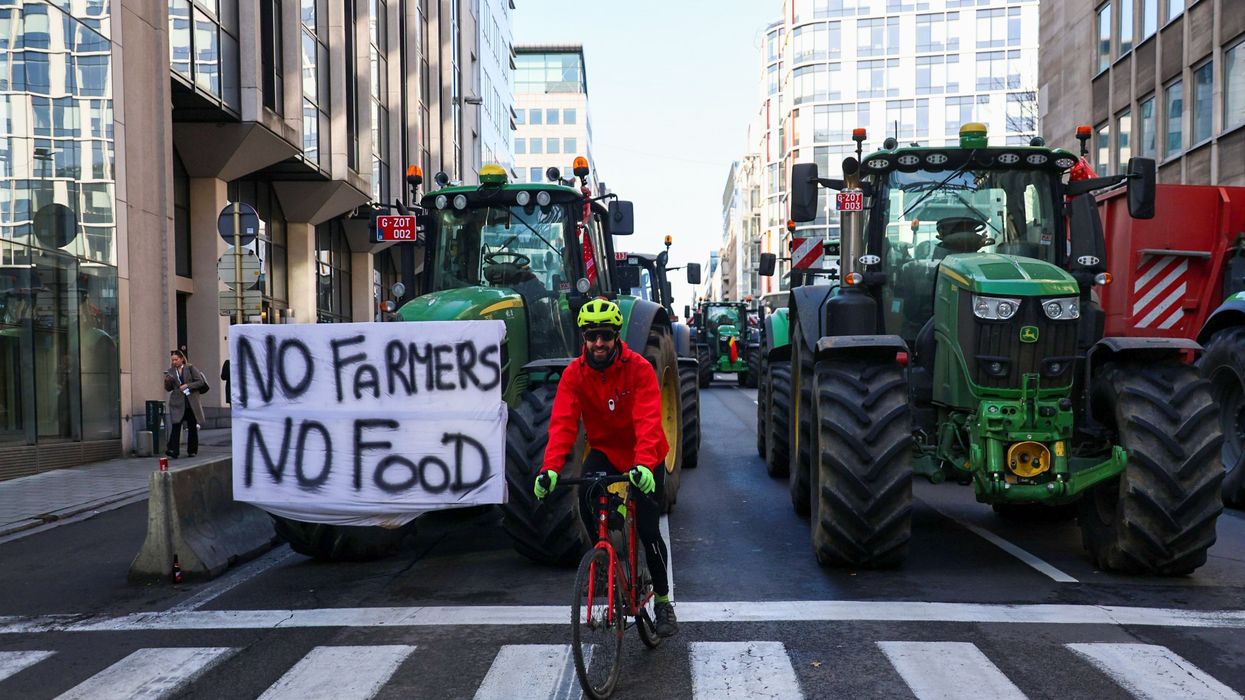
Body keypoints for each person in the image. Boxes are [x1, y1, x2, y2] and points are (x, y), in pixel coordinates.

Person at [533, 298, 678, 637]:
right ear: (583, 338)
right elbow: (563, 425)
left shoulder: (639, 368)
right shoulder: (574, 375)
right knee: (585, 494)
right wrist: (550, 468)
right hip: (606, 452)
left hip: (647, 454)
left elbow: (646, 420)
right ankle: (604, 558)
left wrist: (643, 465)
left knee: (647, 527)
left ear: (616, 336)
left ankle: (662, 601)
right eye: (591, 336)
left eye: (605, 336)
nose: (598, 343)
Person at [164, 349, 206, 458]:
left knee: (192, 426)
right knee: (176, 425)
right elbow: (168, 389)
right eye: (172, 360)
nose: (174, 362)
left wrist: (188, 385)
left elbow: (200, 382)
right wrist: (167, 381)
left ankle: (192, 450)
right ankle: (173, 450)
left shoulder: (190, 368)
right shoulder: (170, 371)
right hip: (177, 403)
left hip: (190, 402)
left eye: (176, 359)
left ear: (182, 359)